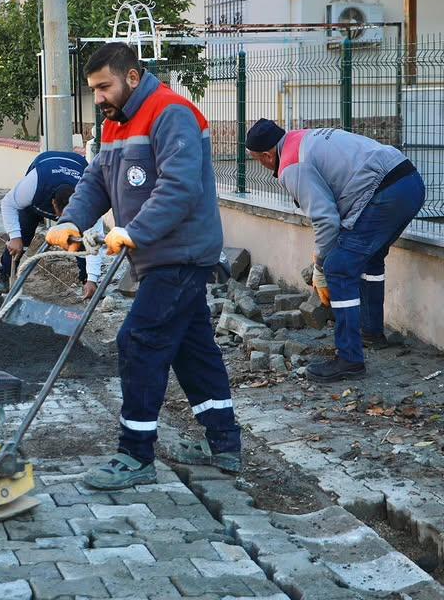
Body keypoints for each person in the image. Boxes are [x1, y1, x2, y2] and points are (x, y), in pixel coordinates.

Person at [46, 42, 242, 490]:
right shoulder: (117, 124)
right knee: (194, 351)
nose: (97, 97)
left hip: (181, 255)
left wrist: (135, 231)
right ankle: (223, 443)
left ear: (132, 77)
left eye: (103, 87)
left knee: (138, 341)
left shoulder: (172, 113)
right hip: (158, 257)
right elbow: (97, 178)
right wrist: (72, 219)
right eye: (93, 89)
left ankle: (135, 454)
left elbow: (179, 187)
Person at [246, 119, 425, 383]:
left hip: (387, 192)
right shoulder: (301, 138)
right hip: (410, 183)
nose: (259, 165)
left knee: (339, 268)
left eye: (256, 160)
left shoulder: (292, 165)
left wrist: (320, 266)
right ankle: (371, 332)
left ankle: (349, 359)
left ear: (266, 155)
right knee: (370, 258)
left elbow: (326, 219)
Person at [0, 150, 103, 298]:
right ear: (53, 204)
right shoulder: (34, 184)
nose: (62, 220)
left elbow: (94, 242)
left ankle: (87, 283)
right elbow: (8, 203)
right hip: (44, 178)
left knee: (82, 241)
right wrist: (14, 237)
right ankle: (5, 276)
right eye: (61, 216)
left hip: (75, 168)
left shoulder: (89, 199)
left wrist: (92, 278)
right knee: (21, 235)